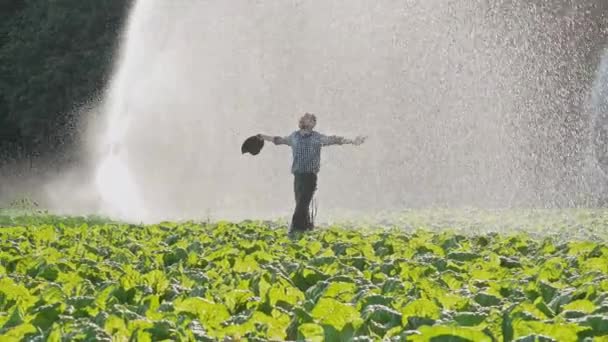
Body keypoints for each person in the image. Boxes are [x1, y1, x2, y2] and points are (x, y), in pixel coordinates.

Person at [258, 113, 366, 233]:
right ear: (303, 121)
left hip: (310, 177)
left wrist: (352, 141)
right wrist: (262, 136)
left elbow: (335, 139)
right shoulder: (294, 136)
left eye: (313, 120)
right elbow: (278, 140)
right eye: (309, 118)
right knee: (301, 204)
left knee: (302, 205)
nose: (312, 121)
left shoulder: (317, 137)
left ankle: (294, 231)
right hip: (298, 176)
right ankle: (307, 228)